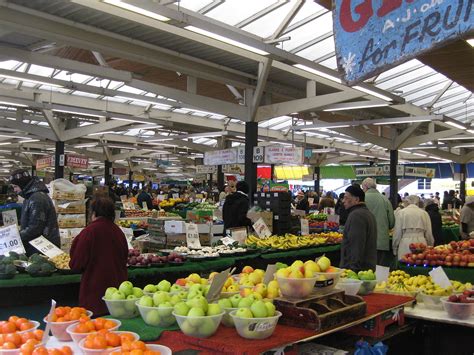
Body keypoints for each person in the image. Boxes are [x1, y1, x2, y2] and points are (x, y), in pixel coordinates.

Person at [69, 196, 128, 315]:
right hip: (117, 295)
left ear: (94, 213)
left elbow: (76, 264)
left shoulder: (89, 232)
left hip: (94, 294)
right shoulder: (118, 232)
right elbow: (125, 257)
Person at [9, 169, 60, 256]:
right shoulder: (29, 197)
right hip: (38, 246)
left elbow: (35, 227)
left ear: (22, 184)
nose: (15, 190)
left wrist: (15, 237)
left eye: (15, 186)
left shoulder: (37, 198)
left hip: (42, 249)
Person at [340, 185, 377, 272]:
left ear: (356, 199)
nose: (343, 201)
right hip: (367, 268)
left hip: (358, 271)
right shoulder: (367, 213)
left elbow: (356, 245)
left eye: (346, 198)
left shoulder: (356, 216)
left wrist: (353, 270)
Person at [361, 178, 395, 267]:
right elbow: (391, 222)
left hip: (364, 240)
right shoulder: (385, 200)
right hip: (382, 241)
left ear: (365, 187)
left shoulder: (361, 199)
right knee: (380, 268)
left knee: (365, 270)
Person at [393, 195, 434, 260]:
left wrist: (395, 247)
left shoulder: (401, 213)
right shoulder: (424, 213)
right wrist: (430, 245)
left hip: (405, 243)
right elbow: (429, 233)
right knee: (420, 265)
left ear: (407, 202)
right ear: (417, 202)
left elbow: (397, 233)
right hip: (421, 243)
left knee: (404, 265)